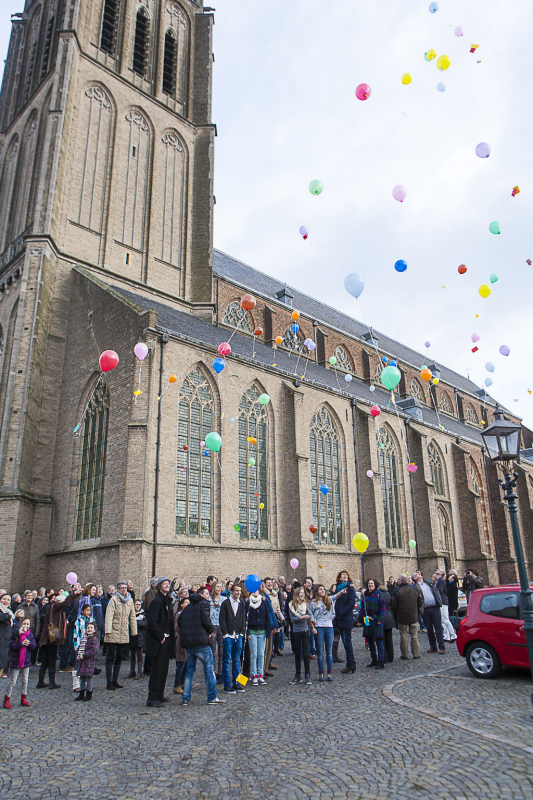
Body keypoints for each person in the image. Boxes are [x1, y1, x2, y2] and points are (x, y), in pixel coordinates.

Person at [178, 585, 224, 705]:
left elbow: (180, 621)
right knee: (209, 670)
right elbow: (206, 619)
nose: (208, 595)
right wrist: (210, 631)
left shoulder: (188, 607)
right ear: (201, 595)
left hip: (189, 643)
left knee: (189, 671)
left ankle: (185, 697)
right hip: (201, 642)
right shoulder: (204, 604)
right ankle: (212, 696)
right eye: (206, 594)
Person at [145, 577, 175, 708]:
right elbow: (152, 621)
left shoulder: (166, 601)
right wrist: (161, 636)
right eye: (164, 584)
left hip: (166, 639)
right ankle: (152, 697)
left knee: (164, 669)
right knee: (157, 670)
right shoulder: (156, 602)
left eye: (168, 584)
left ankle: (160, 694)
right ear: (159, 587)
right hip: (159, 640)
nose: (167, 586)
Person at [37, 592, 75, 689]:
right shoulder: (55, 607)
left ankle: (41, 681)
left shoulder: (52, 608)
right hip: (51, 639)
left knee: (45, 660)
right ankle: (52, 682)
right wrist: (73, 594)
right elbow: (65, 604)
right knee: (52, 660)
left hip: (47, 638)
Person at [104, 581, 137, 690]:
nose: (124, 590)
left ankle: (115, 680)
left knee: (119, 658)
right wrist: (107, 630)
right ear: (118, 590)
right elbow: (109, 616)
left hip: (123, 631)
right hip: (113, 631)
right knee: (110, 657)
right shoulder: (113, 600)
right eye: (122, 588)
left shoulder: (130, 600)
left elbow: (132, 617)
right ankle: (109, 681)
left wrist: (134, 631)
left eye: (125, 588)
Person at [309, 584, 343, 681]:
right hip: (319, 627)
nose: (323, 591)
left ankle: (329, 673)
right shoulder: (313, 603)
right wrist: (313, 624)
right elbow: (310, 614)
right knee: (320, 651)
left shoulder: (329, 600)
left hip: (329, 627)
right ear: (317, 591)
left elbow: (337, 595)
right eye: (320, 589)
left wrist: (342, 591)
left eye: (323, 589)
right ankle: (321, 673)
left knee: (329, 652)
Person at [219, 582, 246, 695]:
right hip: (228, 636)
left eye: (240, 591)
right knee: (226, 660)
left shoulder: (241, 604)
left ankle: (236, 682)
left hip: (238, 635)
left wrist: (242, 633)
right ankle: (227, 685)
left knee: (236, 660)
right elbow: (222, 619)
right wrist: (225, 633)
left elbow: (243, 619)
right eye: (236, 591)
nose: (238, 593)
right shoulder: (225, 603)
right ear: (232, 591)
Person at [3, 618, 36, 709]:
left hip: (26, 660)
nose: (26, 626)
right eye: (24, 623)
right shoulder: (15, 634)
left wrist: (28, 643)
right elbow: (12, 647)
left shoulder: (30, 635)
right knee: (13, 681)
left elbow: (34, 646)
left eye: (28, 624)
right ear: (20, 624)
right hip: (16, 660)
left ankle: (23, 697)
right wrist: (21, 643)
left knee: (25, 680)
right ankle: (7, 699)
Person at [245, 589, 272, 687]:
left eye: (256, 591)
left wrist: (268, 631)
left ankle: (261, 674)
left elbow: (267, 617)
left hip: (262, 631)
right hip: (252, 632)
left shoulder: (264, 602)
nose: (255, 592)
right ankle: (254, 674)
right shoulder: (248, 603)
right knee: (253, 654)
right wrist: (247, 631)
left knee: (261, 654)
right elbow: (245, 618)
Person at [413, 572, 445, 654]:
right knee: (429, 629)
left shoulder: (428, 583)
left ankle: (442, 647)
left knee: (438, 628)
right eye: (416, 575)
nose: (419, 575)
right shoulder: (415, 587)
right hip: (425, 609)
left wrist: (439, 601)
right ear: (415, 578)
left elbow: (436, 591)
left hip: (435, 607)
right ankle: (433, 646)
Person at [393, 575, 423, 660]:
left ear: (400, 581)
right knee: (414, 636)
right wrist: (416, 608)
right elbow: (420, 600)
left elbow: (394, 604)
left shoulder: (398, 591)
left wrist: (396, 611)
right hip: (413, 615)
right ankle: (416, 654)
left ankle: (405, 654)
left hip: (402, 616)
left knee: (403, 635)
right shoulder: (414, 589)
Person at [359, 579, 386, 669]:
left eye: (372, 583)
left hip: (376, 619)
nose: (370, 585)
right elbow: (362, 608)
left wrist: (380, 619)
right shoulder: (365, 595)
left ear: (375, 585)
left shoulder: (379, 594)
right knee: (369, 639)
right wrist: (360, 620)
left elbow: (383, 607)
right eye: (369, 583)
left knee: (379, 640)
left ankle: (381, 661)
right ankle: (374, 659)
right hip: (367, 620)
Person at [288, 586, 312, 685]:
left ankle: (307, 675)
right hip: (296, 631)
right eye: (300, 593)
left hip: (305, 630)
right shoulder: (291, 605)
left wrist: (312, 619)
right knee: (297, 654)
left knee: (306, 654)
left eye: (303, 593)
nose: (302, 594)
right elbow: (293, 619)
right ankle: (298, 675)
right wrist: (302, 617)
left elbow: (310, 613)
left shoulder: (305, 604)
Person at [335, 570, 357, 674]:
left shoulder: (350, 589)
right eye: (343, 575)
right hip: (339, 619)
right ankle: (351, 664)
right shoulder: (337, 589)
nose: (345, 576)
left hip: (346, 618)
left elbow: (351, 603)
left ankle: (351, 664)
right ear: (339, 578)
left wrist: (341, 612)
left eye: (346, 575)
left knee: (347, 642)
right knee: (344, 642)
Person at [74, 621, 99, 702]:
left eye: (91, 628)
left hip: (89, 661)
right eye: (88, 628)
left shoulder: (94, 639)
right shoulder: (84, 638)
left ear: (94, 630)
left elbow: (93, 651)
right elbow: (80, 647)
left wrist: (84, 655)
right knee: (81, 678)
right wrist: (78, 654)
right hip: (82, 661)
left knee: (88, 678)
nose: (89, 629)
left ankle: (89, 693)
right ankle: (81, 693)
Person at [209, 581, 226, 683]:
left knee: (221, 651)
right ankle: (212, 672)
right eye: (217, 587)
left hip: (221, 626)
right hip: (212, 626)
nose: (219, 588)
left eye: (220, 587)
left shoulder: (224, 599)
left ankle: (221, 672)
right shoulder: (209, 600)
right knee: (212, 651)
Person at [16, 591, 40, 661]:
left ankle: (30, 661)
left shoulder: (35, 607)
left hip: (31, 628)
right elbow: (17, 617)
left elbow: (37, 619)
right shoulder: (20, 606)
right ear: (25, 597)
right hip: (22, 628)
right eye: (28, 595)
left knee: (31, 645)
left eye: (31, 596)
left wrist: (37, 631)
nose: (29, 597)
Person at [435, 569, 456, 642]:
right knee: (442, 620)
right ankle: (447, 636)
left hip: (443, 602)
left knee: (445, 619)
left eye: (439, 570)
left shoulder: (441, 581)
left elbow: (439, 591)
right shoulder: (438, 580)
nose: (437, 570)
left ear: (441, 573)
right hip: (440, 602)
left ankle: (453, 635)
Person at [127, 600, 147, 679]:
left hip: (140, 637)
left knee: (139, 655)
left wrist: (135, 622)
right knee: (132, 655)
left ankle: (139, 671)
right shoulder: (131, 614)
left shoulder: (143, 614)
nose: (138, 606)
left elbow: (145, 624)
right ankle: (132, 671)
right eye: (136, 604)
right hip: (132, 636)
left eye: (139, 604)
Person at [173, 597, 189, 695]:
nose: (187, 604)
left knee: (186, 664)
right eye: (186, 602)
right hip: (181, 640)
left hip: (187, 641)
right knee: (180, 664)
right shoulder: (179, 615)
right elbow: (176, 627)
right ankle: (177, 684)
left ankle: (182, 683)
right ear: (181, 604)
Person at [0, 594, 14, 679]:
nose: (6, 601)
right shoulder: (6, 614)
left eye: (8, 600)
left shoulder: (9, 612)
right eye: (4, 599)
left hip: (4, 645)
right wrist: (9, 617)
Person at [381, 583, 396, 662]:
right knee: (389, 639)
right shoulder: (388, 594)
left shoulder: (378, 595)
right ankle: (391, 657)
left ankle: (384, 657)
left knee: (382, 639)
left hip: (382, 618)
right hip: (389, 617)